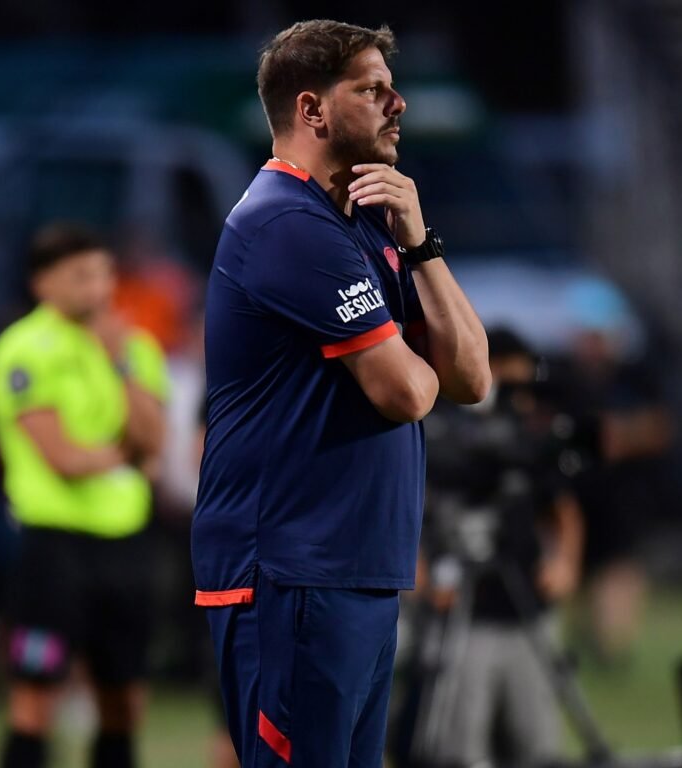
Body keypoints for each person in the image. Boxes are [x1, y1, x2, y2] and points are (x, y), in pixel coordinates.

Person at [191, 19, 490, 768]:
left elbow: (472, 377)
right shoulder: (286, 224)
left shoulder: (360, 225)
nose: (398, 103)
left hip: (350, 570)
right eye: (372, 89)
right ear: (312, 109)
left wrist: (420, 242)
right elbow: (407, 392)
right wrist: (417, 358)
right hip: (291, 572)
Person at [0, 223, 169, 768]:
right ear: (43, 283)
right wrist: (127, 457)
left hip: (125, 544)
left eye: (103, 274)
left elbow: (154, 442)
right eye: (81, 276)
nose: (97, 288)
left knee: (124, 701)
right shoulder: (23, 350)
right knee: (35, 698)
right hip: (52, 549)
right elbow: (63, 459)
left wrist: (120, 364)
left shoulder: (132, 347)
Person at [409, 328, 584, 768]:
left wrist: (564, 562)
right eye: (510, 382)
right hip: (460, 613)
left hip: (527, 608)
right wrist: (420, 572)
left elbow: (562, 508)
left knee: (537, 742)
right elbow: (410, 507)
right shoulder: (441, 429)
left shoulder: (528, 440)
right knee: (460, 746)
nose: (518, 398)